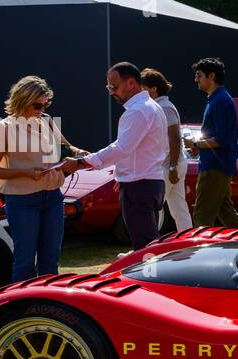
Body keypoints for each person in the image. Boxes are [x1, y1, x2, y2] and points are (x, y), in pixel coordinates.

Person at [0, 76, 82, 281]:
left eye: (45, 104)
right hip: (22, 201)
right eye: (37, 104)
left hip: (53, 198)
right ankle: (21, 310)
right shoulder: (3, 128)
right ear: (22, 100)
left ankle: (48, 309)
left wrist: (82, 154)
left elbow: (66, 147)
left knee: (51, 260)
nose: (42, 108)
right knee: (25, 262)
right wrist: (26, 172)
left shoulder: (46, 120)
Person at [64, 62, 168, 252]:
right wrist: (122, 175)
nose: (111, 91)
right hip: (148, 182)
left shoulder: (138, 110)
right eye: (108, 87)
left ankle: (150, 280)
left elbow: (121, 148)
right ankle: (152, 276)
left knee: (145, 247)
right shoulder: (151, 107)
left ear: (130, 83)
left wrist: (81, 162)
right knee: (148, 244)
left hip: (140, 185)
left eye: (114, 86)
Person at [186, 57, 238, 230]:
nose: (196, 79)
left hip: (215, 166)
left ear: (211, 76)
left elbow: (221, 139)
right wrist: (200, 145)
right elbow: (216, 137)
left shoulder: (221, 101)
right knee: (225, 212)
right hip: (216, 164)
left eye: (199, 75)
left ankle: (204, 255)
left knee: (201, 216)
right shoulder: (216, 99)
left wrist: (195, 144)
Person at [140, 68, 193, 232]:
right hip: (171, 165)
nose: (139, 93)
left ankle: (146, 248)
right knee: (179, 208)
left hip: (168, 166)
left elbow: (175, 138)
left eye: (142, 88)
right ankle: (188, 244)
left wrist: (172, 167)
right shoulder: (159, 106)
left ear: (153, 89)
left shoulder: (165, 107)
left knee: (150, 207)